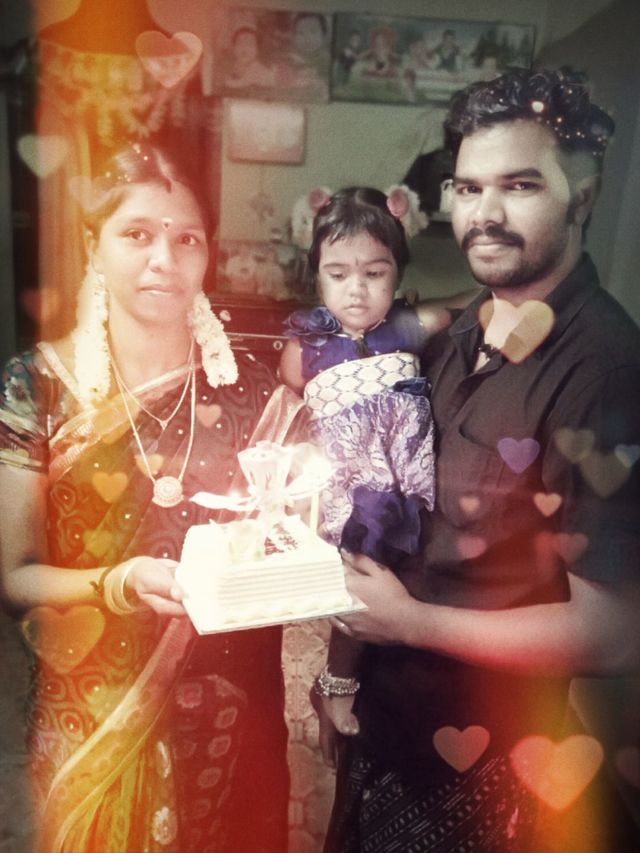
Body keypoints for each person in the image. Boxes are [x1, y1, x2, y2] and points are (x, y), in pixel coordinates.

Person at [320, 68, 640, 852]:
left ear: (584, 197)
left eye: (520, 185)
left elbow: (615, 633)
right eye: (468, 188)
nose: (484, 214)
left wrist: (412, 622)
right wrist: (343, 670)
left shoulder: (604, 371)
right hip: (385, 719)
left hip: (485, 767)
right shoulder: (467, 325)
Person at [0, 142, 290, 853]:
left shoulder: (253, 389)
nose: (165, 258)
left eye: (187, 238)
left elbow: (284, 538)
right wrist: (121, 581)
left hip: (229, 708)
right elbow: (15, 577)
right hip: (89, 700)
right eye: (136, 234)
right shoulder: (36, 387)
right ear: (93, 248)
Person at [279, 186, 472, 739]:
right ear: (317, 276)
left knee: (403, 584)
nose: (357, 289)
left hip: (407, 480)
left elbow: (474, 302)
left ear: (398, 273)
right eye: (338, 274)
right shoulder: (306, 346)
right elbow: (285, 407)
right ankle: (336, 683)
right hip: (349, 488)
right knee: (358, 588)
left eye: (375, 273)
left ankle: (378, 682)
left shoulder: (408, 326)